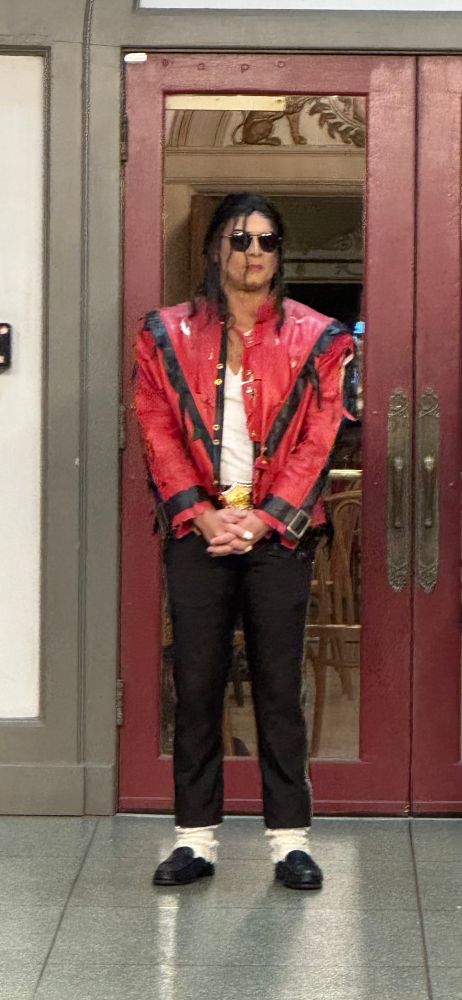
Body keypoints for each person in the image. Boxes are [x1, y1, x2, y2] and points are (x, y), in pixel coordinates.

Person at [135, 192, 353, 890]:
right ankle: (195, 840)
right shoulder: (164, 334)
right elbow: (155, 424)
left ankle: (290, 840)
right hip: (197, 528)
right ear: (215, 251)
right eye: (240, 239)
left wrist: (264, 517)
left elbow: (321, 436)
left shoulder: (319, 336)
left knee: (278, 688)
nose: (253, 253)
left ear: (278, 254)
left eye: (266, 241)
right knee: (196, 685)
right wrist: (198, 513)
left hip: (278, 536)